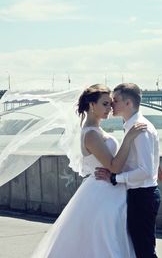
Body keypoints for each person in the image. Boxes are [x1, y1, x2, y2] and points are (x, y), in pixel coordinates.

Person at [31, 84, 146, 258]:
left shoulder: (96, 130)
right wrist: (128, 139)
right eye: (105, 104)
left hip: (108, 189)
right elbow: (113, 166)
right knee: (106, 241)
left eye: (111, 103)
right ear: (92, 105)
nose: (111, 107)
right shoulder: (91, 134)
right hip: (102, 192)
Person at [95, 83, 161, 258]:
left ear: (128, 103)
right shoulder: (131, 127)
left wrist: (116, 178)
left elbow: (145, 171)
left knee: (144, 250)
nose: (111, 105)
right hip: (139, 194)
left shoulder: (141, 129)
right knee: (140, 248)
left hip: (143, 195)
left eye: (115, 101)